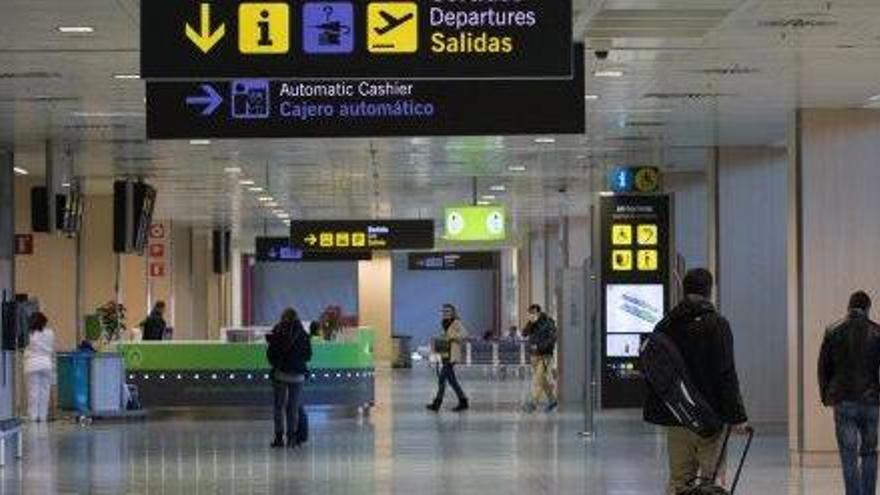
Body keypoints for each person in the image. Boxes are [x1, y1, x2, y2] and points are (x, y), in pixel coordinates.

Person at [643, 268, 749, 495]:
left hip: (677, 415)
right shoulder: (717, 325)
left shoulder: (666, 325)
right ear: (710, 291)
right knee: (710, 482)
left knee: (679, 481)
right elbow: (726, 374)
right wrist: (737, 416)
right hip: (710, 419)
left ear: (684, 290)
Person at [818, 291, 880, 495]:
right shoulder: (877, 332)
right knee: (870, 453)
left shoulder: (833, 330)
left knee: (848, 455)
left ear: (848, 308)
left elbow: (823, 367)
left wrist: (826, 395)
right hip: (871, 402)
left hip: (843, 402)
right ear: (868, 308)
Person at [266, 308, 312, 448]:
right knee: (293, 408)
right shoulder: (303, 334)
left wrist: (277, 364)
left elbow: (270, 353)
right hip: (298, 376)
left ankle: (279, 438)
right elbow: (308, 355)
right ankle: (291, 439)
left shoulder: (278, 331)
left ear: (283, 317)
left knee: (278, 407)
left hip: (280, 374)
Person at [426, 304, 470, 412]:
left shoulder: (456, 322)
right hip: (445, 354)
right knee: (452, 380)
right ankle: (463, 401)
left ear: (453, 312)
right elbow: (445, 336)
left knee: (442, 378)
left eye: (448, 311)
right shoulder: (444, 323)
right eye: (444, 311)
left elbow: (465, 334)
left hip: (452, 354)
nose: (446, 313)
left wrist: (452, 337)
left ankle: (437, 403)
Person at [521, 304, 558, 413]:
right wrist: (530, 323)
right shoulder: (532, 323)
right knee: (542, 379)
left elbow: (552, 338)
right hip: (534, 355)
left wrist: (541, 346)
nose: (532, 315)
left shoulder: (549, 322)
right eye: (530, 313)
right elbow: (524, 334)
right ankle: (552, 399)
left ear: (539, 312)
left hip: (545, 355)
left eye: (533, 313)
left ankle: (533, 403)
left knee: (538, 379)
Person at [24, 312, 55, 422]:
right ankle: (42, 416)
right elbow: (51, 347)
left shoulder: (29, 334)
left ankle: (33, 417)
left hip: (32, 365)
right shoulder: (50, 333)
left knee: (33, 392)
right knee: (45, 392)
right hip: (46, 363)